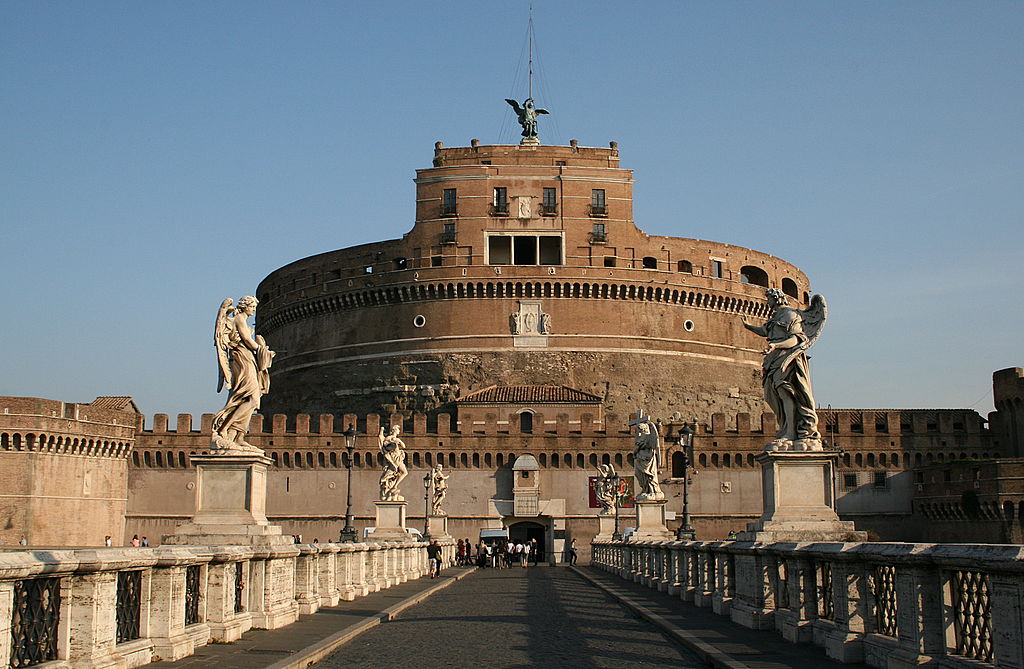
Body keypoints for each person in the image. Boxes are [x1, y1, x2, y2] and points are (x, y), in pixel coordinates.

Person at [742, 288, 827, 451]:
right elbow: (766, 331)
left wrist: (776, 345)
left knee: (787, 394)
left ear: (777, 298)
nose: (767, 302)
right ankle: (786, 429)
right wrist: (749, 326)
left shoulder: (790, 314)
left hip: (787, 359)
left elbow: (796, 339)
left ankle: (791, 432)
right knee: (774, 396)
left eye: (769, 299)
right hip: (775, 358)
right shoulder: (776, 316)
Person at [212, 296, 273, 451]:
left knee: (254, 399)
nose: (254, 310)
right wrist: (263, 350)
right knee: (250, 396)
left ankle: (238, 437)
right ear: (246, 306)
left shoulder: (243, 320)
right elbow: (246, 339)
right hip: (242, 359)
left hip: (248, 358)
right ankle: (224, 429)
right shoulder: (239, 319)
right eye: (252, 307)